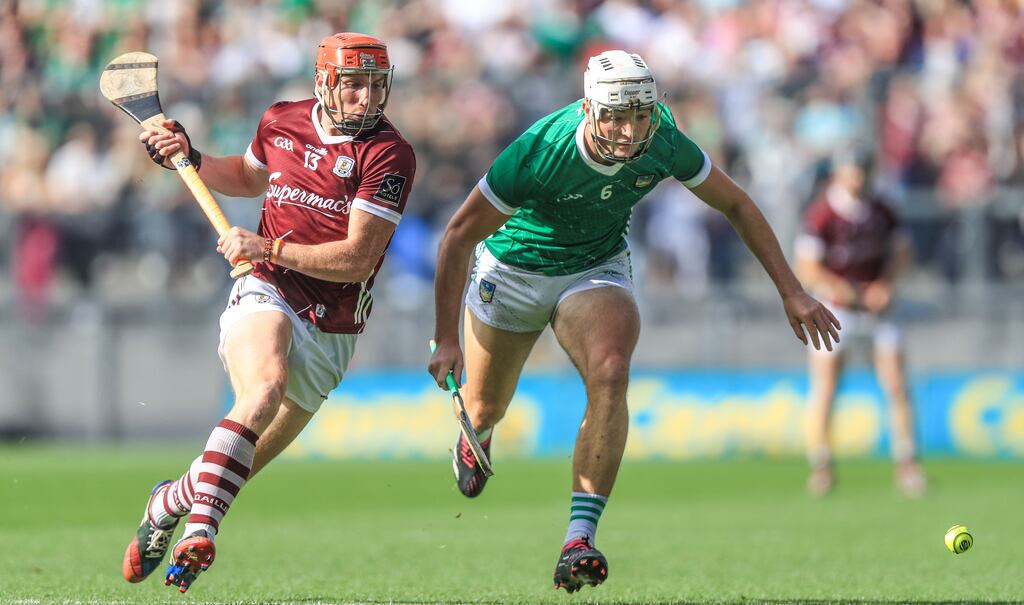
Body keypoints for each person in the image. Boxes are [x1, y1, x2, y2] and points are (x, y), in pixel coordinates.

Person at [427, 50, 840, 594]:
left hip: (594, 266)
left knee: (611, 370)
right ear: (588, 110)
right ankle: (478, 431)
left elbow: (736, 204)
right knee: (485, 405)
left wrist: (792, 291)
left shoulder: (664, 139)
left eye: (640, 115)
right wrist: (446, 337)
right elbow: (458, 235)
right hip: (513, 270)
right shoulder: (540, 151)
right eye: (616, 117)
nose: (629, 132)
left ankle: (578, 538)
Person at [121, 33, 416, 592]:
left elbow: (356, 260)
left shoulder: (389, 153)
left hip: (333, 323)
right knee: (263, 390)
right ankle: (199, 532)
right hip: (268, 288)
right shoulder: (282, 119)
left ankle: (170, 501)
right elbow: (249, 176)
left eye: (377, 85)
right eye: (354, 84)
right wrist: (193, 158)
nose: (368, 97)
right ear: (324, 82)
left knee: (238, 467)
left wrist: (268, 245)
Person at [795, 150, 925, 498]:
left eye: (864, 170)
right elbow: (807, 266)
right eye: (854, 170)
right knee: (825, 387)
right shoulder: (822, 213)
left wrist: (886, 286)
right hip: (836, 311)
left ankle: (907, 464)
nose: (859, 177)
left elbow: (901, 254)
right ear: (840, 173)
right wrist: (845, 291)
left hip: (879, 311)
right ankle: (821, 466)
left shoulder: (883, 210)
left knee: (897, 385)